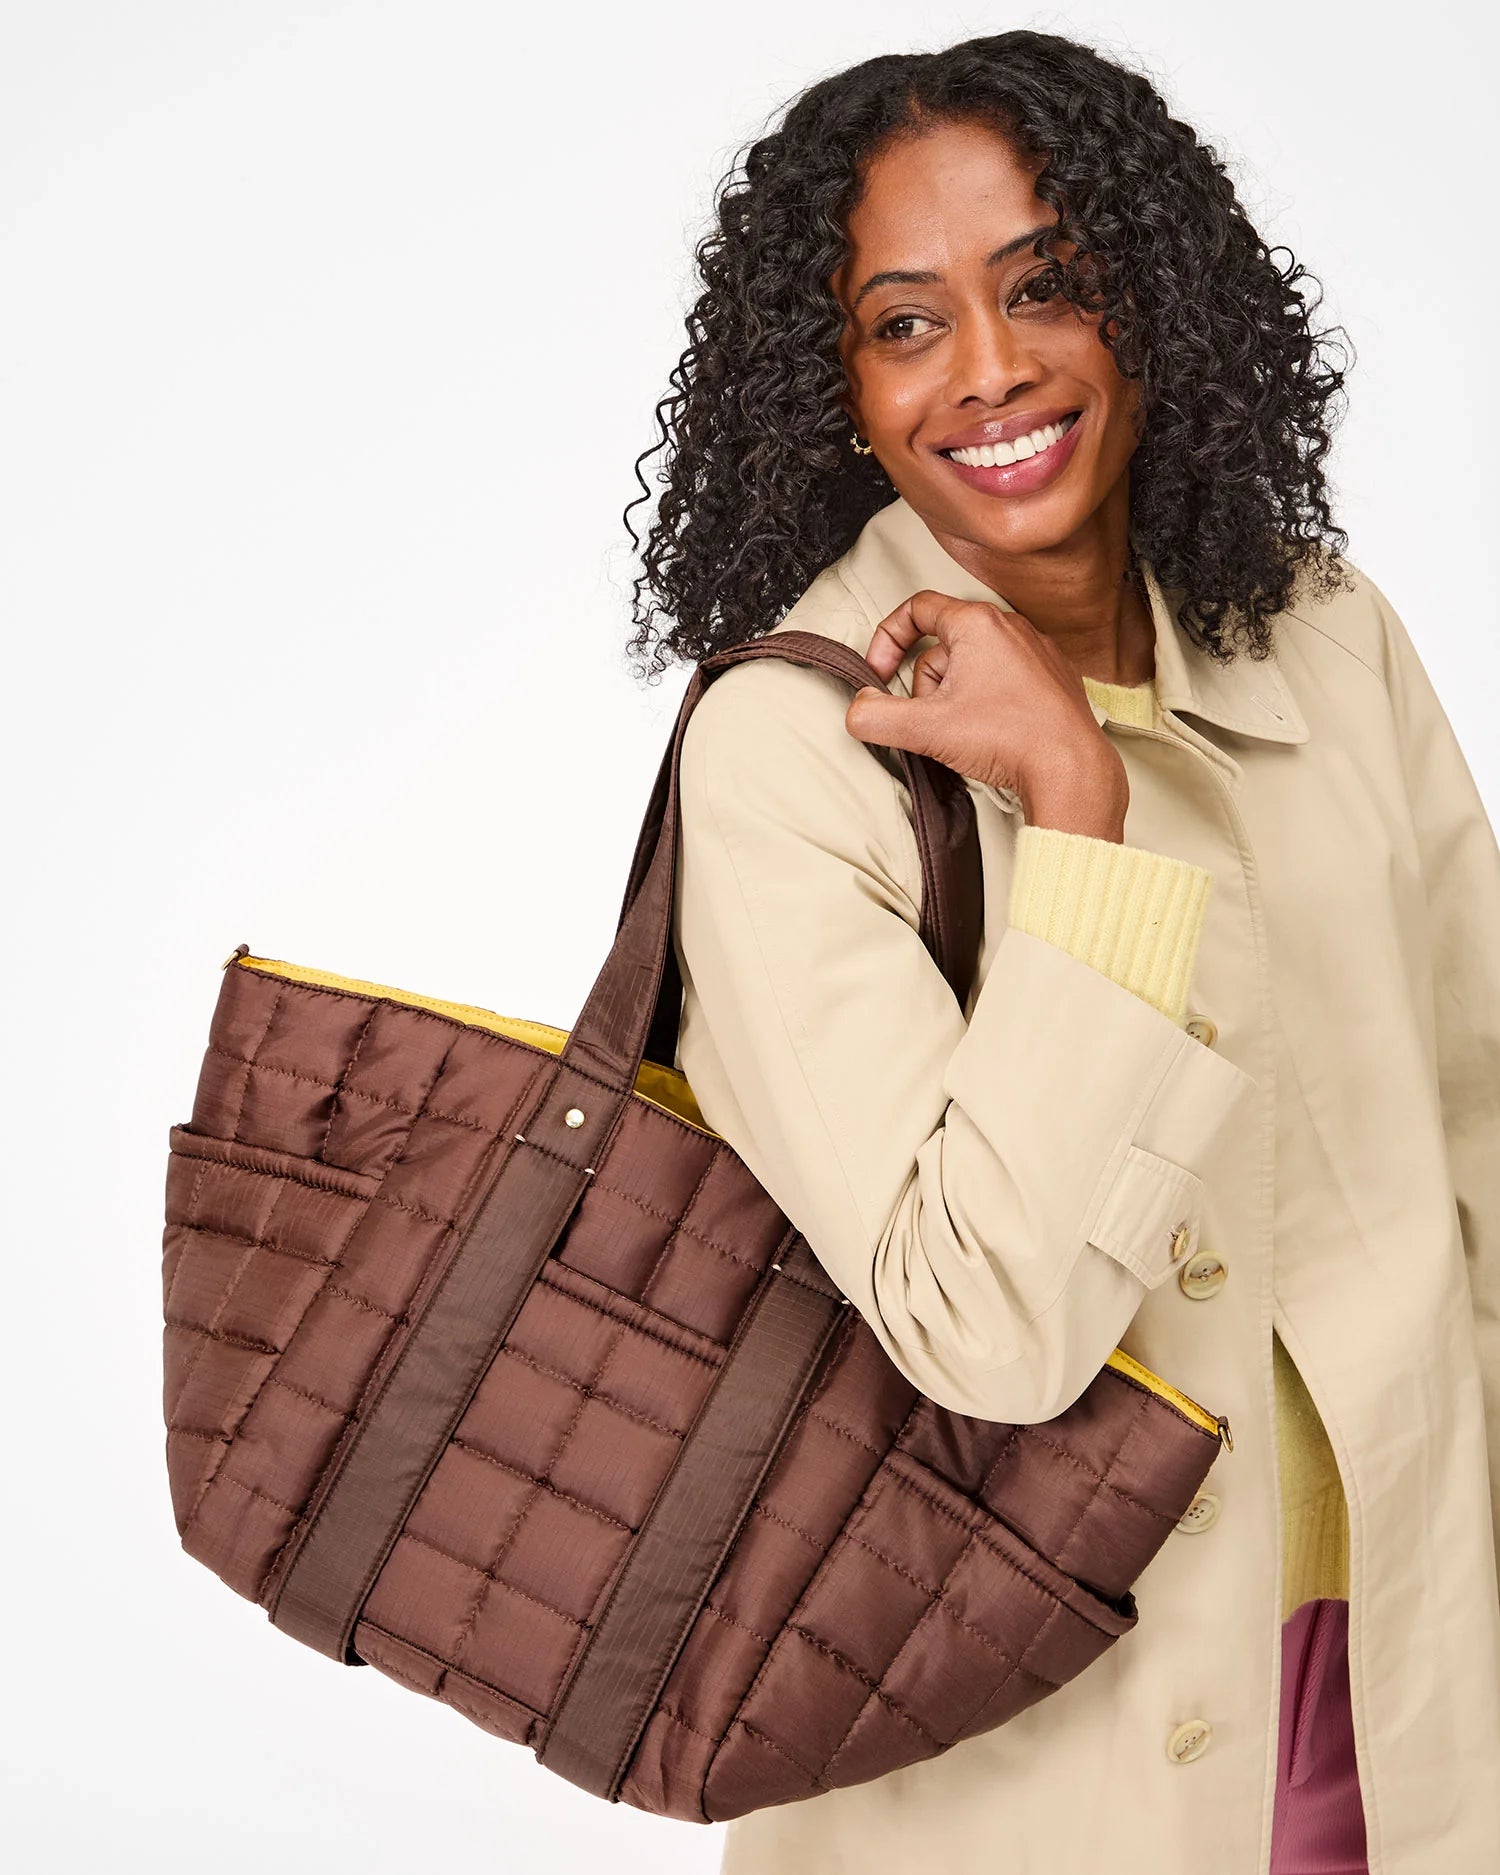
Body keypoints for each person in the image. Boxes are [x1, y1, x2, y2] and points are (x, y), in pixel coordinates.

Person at [623, 28, 1500, 1875]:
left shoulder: (1326, 637)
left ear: (1152, 301)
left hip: (1420, 1691)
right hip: (1028, 1754)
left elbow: (1482, 1136)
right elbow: (990, 1333)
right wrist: (1071, 809)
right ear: (832, 386)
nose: (996, 370)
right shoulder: (787, 755)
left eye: (1047, 288)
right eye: (907, 322)